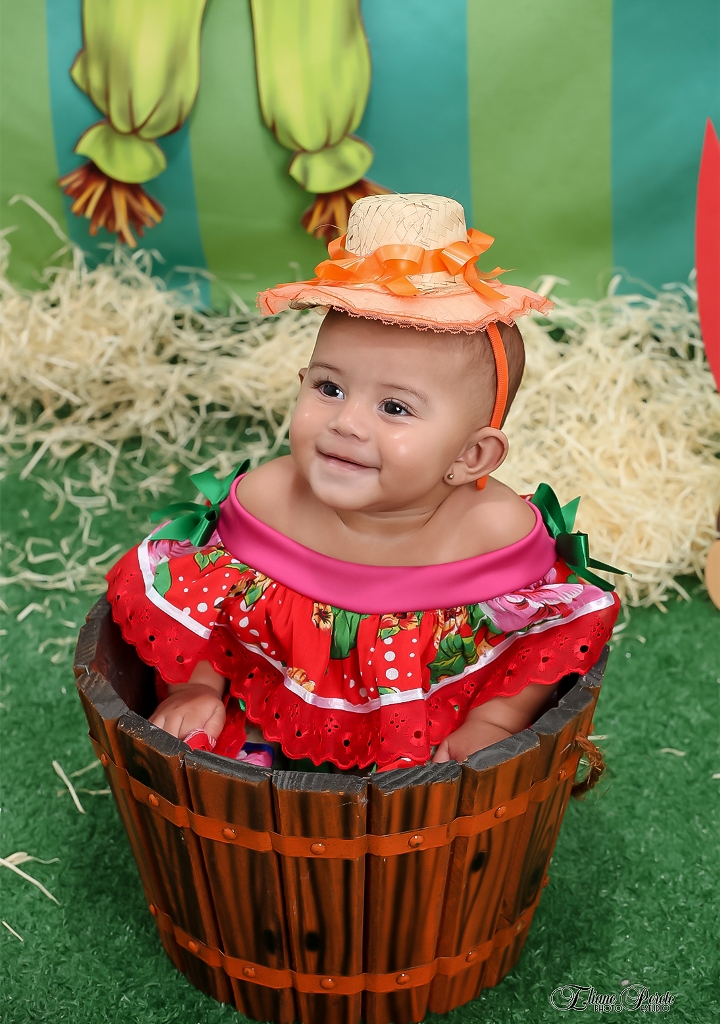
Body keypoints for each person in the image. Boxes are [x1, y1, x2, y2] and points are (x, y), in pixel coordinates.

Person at [107, 194, 621, 773]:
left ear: (472, 456)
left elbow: (537, 638)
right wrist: (195, 688)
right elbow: (206, 608)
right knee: (234, 767)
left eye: (395, 408)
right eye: (328, 388)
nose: (346, 423)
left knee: (422, 800)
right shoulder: (268, 499)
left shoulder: (493, 530)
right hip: (273, 703)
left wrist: (494, 722)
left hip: (426, 725)